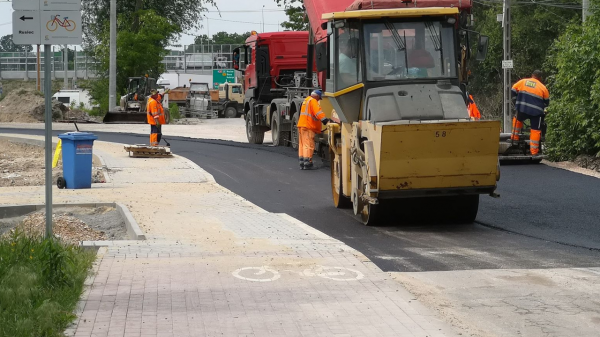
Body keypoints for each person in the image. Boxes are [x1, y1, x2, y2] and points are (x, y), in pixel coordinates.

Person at [510, 70, 550, 156]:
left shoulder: (523, 81)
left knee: (518, 119)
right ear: (540, 78)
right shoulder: (543, 87)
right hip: (536, 112)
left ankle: (514, 139)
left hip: (522, 108)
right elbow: (547, 101)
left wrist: (515, 100)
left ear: (532, 75)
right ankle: (534, 152)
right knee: (535, 130)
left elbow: (513, 89)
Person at [297, 90, 330, 170]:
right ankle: (308, 163)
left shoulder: (306, 100)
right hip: (308, 126)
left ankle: (302, 162)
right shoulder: (313, 101)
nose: (319, 100)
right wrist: (326, 121)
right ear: (317, 96)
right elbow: (318, 113)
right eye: (319, 98)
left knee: (302, 144)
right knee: (308, 145)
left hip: (302, 125)